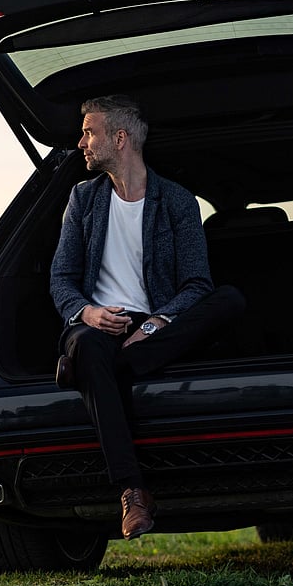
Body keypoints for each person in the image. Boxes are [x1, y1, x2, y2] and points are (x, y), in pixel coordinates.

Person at [50, 94, 244, 539]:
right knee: (85, 343)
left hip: (155, 330)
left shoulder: (176, 201)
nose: (81, 142)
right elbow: (61, 278)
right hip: (98, 329)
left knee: (230, 299)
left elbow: (197, 285)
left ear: (119, 139)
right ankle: (133, 493)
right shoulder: (83, 199)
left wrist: (156, 323)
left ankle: (94, 371)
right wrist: (90, 312)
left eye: (89, 132)